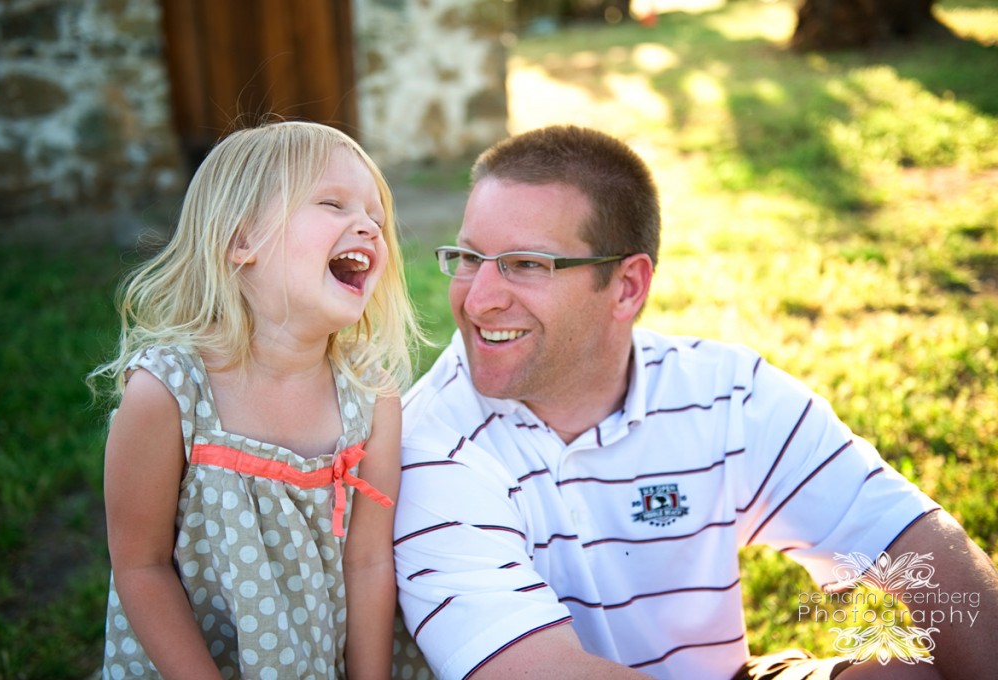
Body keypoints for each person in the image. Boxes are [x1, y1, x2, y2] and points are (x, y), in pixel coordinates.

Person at [392, 125, 998, 680]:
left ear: (626, 286)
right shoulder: (430, 444)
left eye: (525, 265)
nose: (477, 300)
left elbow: (920, 546)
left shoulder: (724, 391)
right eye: (469, 259)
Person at [91, 120, 421, 679]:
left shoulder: (370, 396)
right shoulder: (169, 394)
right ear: (242, 241)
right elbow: (141, 566)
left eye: (377, 217)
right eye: (334, 204)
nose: (367, 226)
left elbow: (367, 562)